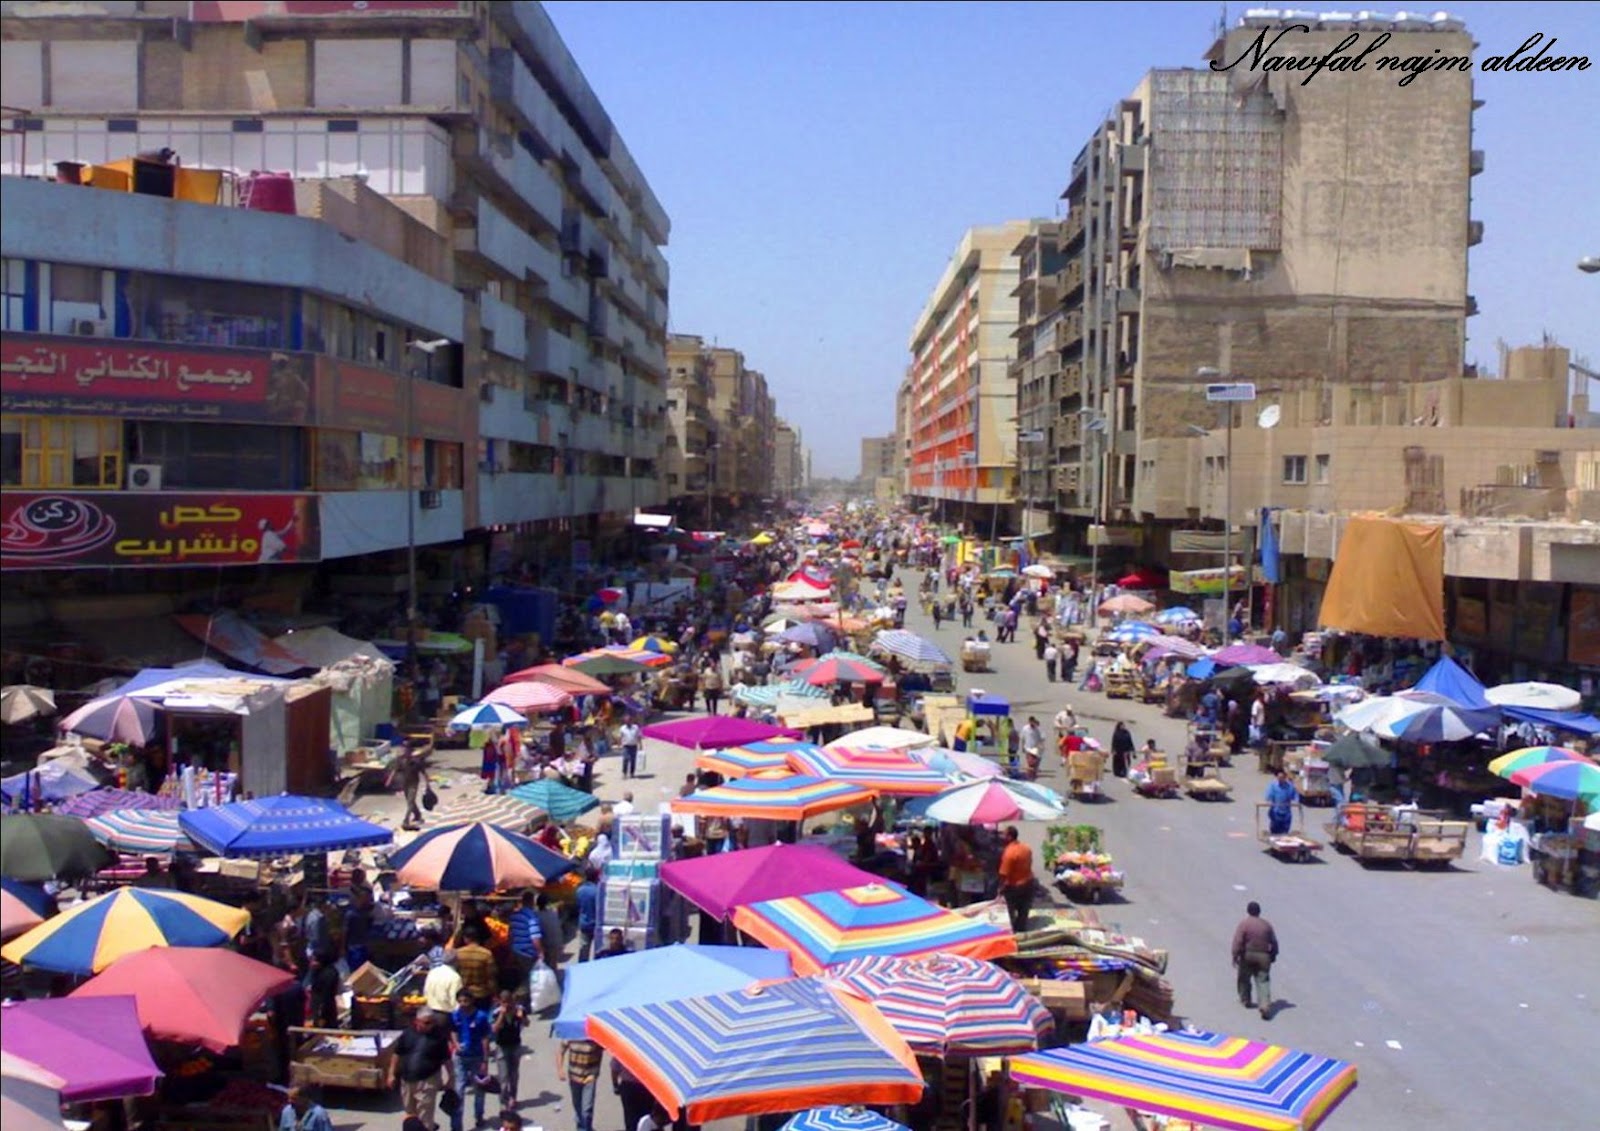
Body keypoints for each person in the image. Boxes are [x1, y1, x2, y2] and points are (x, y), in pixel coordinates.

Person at [389, 1008, 454, 1131]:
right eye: (427, 1023)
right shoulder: (407, 1034)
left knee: (425, 1118)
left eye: (432, 1022)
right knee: (410, 1116)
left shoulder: (438, 1037)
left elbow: (447, 1059)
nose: (430, 1025)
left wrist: (450, 1078)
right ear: (417, 1021)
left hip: (427, 1080)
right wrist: (391, 1074)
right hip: (407, 1080)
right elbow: (397, 1054)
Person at [449, 988, 493, 1131]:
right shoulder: (455, 1015)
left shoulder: (481, 1017)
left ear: (472, 1000)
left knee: (479, 1089)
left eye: (466, 1001)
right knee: (458, 1091)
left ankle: (479, 1117)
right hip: (460, 1058)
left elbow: (485, 1038)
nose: (463, 1004)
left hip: (477, 1057)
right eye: (460, 1001)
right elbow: (453, 1031)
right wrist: (455, 1044)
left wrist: (485, 1061)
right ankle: (456, 1126)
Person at [1232, 901, 1280, 1019]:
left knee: (1244, 978)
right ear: (1259, 912)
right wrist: (1273, 955)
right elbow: (1274, 942)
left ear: (1248, 911)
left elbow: (1238, 941)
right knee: (1263, 981)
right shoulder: (1267, 925)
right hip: (1264, 957)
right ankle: (1264, 1005)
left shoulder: (1244, 924)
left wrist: (1235, 955)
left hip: (1248, 955)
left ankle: (1245, 999)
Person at [490, 989, 527, 1110]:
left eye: (509, 1001)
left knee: (514, 1075)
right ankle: (503, 1101)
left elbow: (527, 1023)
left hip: (515, 1045)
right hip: (502, 1046)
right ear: (500, 1002)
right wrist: (502, 1014)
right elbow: (494, 1029)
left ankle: (513, 1097)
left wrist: (521, 1017)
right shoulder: (496, 1013)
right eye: (504, 1002)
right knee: (503, 1076)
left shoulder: (519, 1010)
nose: (507, 1004)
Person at [557, 1035, 604, 1131]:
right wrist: (560, 1070)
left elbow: (601, 1053)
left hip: (589, 1077)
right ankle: (581, 1127)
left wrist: (595, 1074)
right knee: (577, 1106)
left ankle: (586, 1128)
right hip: (574, 1077)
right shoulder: (571, 1035)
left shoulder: (595, 1036)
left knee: (587, 1109)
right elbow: (560, 1052)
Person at [996, 826, 1035, 934]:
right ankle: (1022, 929)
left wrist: (1000, 888)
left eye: (1003, 834)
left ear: (1009, 837)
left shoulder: (1009, 853)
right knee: (1024, 909)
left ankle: (1012, 932)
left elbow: (1004, 874)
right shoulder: (1026, 848)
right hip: (1028, 881)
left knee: (1010, 910)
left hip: (1014, 886)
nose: (1001, 836)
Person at [454, 924, 498, 1008]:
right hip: (482, 994)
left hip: (464, 994)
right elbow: (491, 977)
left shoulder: (458, 953)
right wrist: (495, 993)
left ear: (466, 938)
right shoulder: (487, 954)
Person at [507, 891, 542, 989]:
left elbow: (510, 935)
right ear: (532, 902)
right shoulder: (531, 917)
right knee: (532, 978)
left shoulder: (514, 916)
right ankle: (529, 999)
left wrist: (510, 950)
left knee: (523, 976)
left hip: (517, 951)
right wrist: (540, 952)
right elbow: (535, 937)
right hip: (529, 952)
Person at [613, 1060, 655, 1131]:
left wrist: (615, 1084)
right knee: (646, 1116)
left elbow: (614, 1068)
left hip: (628, 1086)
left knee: (630, 1116)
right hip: (646, 1087)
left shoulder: (627, 1050)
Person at [306, 948, 342, 1029]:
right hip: (318, 1006)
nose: (312, 963)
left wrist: (321, 1016)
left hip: (324, 1010)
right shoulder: (317, 970)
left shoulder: (329, 974)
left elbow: (326, 997)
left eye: (315, 960)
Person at [575, 867, 600, 962]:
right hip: (596, 925)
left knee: (583, 951)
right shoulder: (598, 891)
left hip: (584, 924)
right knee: (598, 951)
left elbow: (578, 906)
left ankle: (582, 970)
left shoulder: (580, 890)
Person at [1265, 770, 1299, 836]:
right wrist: (1269, 801)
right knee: (1275, 831)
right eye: (1279, 777)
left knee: (1285, 832)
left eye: (1282, 777)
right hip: (1275, 812)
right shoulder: (1273, 786)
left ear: (1285, 777)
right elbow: (1268, 797)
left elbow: (1295, 796)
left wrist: (1297, 801)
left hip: (1286, 813)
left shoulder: (1290, 786)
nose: (1280, 779)